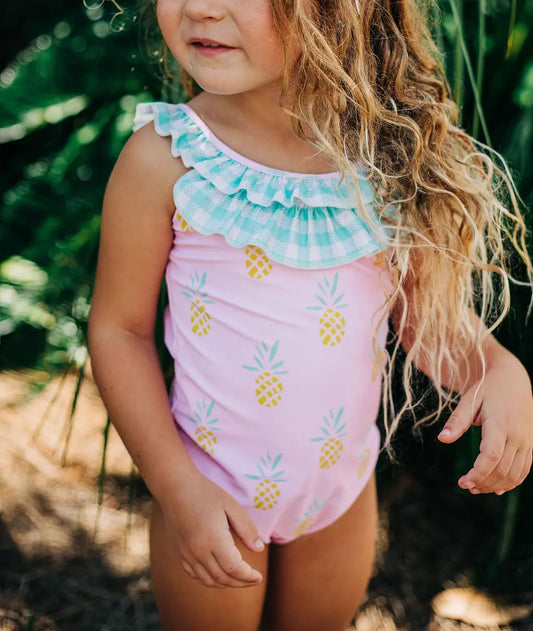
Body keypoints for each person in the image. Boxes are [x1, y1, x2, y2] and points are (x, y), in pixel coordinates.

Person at [87, 0, 533, 629]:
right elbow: (118, 330)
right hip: (212, 489)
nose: (199, 8)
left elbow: (424, 320)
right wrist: (176, 487)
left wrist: (495, 366)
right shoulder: (165, 157)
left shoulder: (390, 153)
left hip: (341, 492)